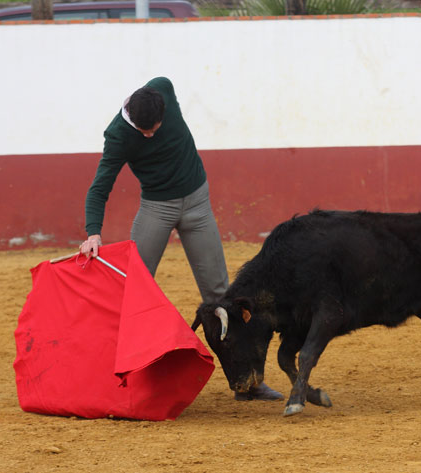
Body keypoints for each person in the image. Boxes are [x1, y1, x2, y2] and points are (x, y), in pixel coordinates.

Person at [80, 77, 283, 402]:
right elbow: (100, 186)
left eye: (155, 129)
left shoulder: (164, 88)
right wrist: (93, 232)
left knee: (221, 296)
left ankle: (248, 383)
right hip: (156, 209)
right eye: (144, 133)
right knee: (133, 288)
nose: (149, 136)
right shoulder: (118, 135)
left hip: (198, 203)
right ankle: (116, 378)